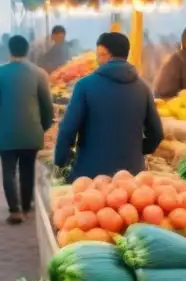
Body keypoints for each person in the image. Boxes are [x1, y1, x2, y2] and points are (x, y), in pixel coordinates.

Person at [54, 32, 163, 183]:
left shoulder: (84, 86)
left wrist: (61, 160)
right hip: (132, 178)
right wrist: (136, 150)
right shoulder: (143, 88)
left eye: (99, 55)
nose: (98, 59)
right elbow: (157, 133)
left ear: (105, 54)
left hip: (90, 176)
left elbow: (68, 129)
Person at [0, 35, 54, 224]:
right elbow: (47, 107)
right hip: (31, 131)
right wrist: (43, 126)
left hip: (5, 131)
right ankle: (25, 205)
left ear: (9, 50)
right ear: (27, 50)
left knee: (8, 170)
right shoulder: (39, 74)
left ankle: (15, 209)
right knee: (27, 168)